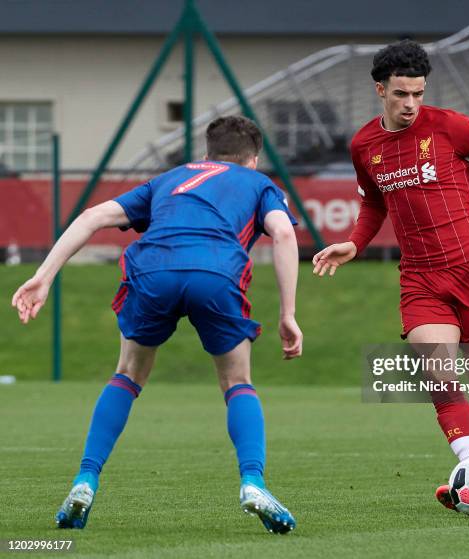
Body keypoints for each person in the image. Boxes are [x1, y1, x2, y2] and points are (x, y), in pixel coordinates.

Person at [12, 115, 303, 533]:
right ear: (254, 160)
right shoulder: (260, 185)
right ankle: (253, 481)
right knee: (237, 381)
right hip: (215, 274)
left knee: (128, 374)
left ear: (206, 153)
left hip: (153, 270)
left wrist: (44, 275)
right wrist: (288, 314)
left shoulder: (170, 178)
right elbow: (285, 235)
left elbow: (93, 216)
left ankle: (85, 480)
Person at [312, 40, 469, 510]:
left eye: (417, 93)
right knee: (439, 372)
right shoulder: (363, 146)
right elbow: (374, 203)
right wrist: (355, 241)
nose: (410, 104)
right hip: (421, 278)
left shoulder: (452, 127)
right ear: (380, 90)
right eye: (400, 94)